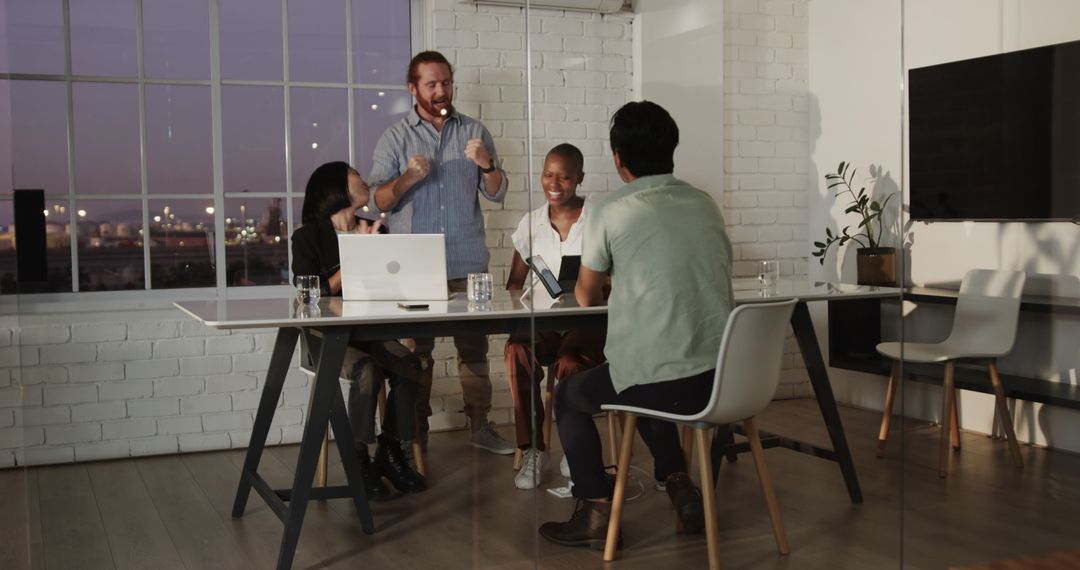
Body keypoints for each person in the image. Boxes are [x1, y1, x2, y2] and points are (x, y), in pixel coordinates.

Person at [538, 101, 735, 548]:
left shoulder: (611, 210)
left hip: (659, 384)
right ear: (671, 150)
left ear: (618, 157)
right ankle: (679, 483)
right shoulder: (704, 203)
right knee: (641, 373)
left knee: (573, 395)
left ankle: (595, 511)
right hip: (722, 381)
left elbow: (586, 296)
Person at [367, 50, 514, 455]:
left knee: (475, 354)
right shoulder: (395, 138)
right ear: (412, 88)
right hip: (417, 270)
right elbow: (378, 201)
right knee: (418, 356)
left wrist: (487, 165)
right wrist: (407, 178)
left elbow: (498, 193)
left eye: (445, 82)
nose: (440, 91)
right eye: (431, 84)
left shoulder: (475, 131)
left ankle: (480, 426)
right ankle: (416, 435)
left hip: (469, 264)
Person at [291, 161, 427, 499]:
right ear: (334, 187)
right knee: (367, 371)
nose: (363, 178)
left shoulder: (376, 229)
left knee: (411, 364)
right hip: (327, 339)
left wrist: (406, 326)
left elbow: (392, 288)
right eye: (355, 174)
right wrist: (359, 255)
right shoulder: (307, 237)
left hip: (372, 333)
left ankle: (390, 451)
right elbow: (313, 294)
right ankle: (358, 459)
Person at [504, 143, 605, 490]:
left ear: (579, 178)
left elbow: (616, 279)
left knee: (569, 362)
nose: (555, 183)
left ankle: (575, 448)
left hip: (586, 321)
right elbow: (514, 284)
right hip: (544, 321)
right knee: (516, 351)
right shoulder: (530, 223)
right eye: (548, 174)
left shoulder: (599, 219)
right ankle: (533, 449)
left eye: (564, 177)